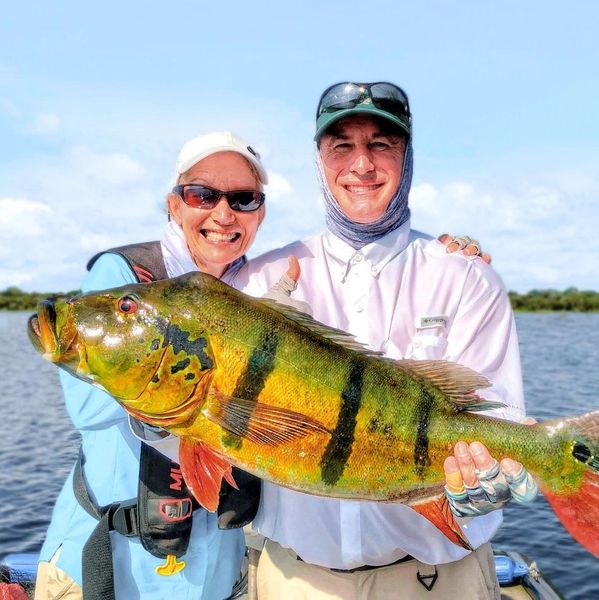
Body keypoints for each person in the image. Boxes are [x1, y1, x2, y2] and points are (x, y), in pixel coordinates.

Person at [228, 82, 536, 599]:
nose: (362, 164)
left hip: (439, 581)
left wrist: (486, 485)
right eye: (342, 145)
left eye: (382, 144)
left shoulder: (465, 277)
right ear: (319, 160)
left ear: (407, 157)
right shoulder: (257, 282)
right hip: (295, 579)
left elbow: (498, 423)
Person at [34, 131, 270, 600]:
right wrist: (191, 385)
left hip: (214, 566)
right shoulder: (126, 280)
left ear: (259, 214)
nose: (223, 214)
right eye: (203, 194)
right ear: (174, 205)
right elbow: (86, 409)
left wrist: (459, 251)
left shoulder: (259, 289)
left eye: (243, 199)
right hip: (114, 565)